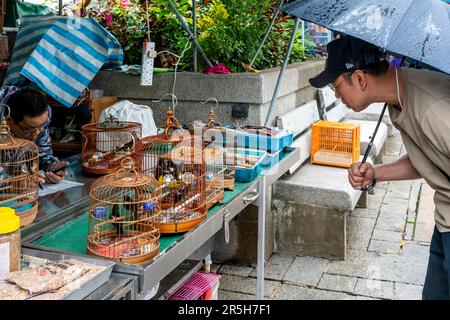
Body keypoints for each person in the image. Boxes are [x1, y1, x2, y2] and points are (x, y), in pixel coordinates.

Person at [308, 36, 450, 299]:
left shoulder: (432, 107)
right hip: (444, 222)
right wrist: (375, 173)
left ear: (360, 78)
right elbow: (429, 159)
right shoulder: (400, 96)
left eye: (337, 87)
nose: (338, 97)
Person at [4, 88, 69, 185]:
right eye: (29, 129)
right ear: (9, 121)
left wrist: (51, 167)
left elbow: (42, 152)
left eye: (42, 126)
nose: (37, 133)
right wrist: (13, 182)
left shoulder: (40, 117)